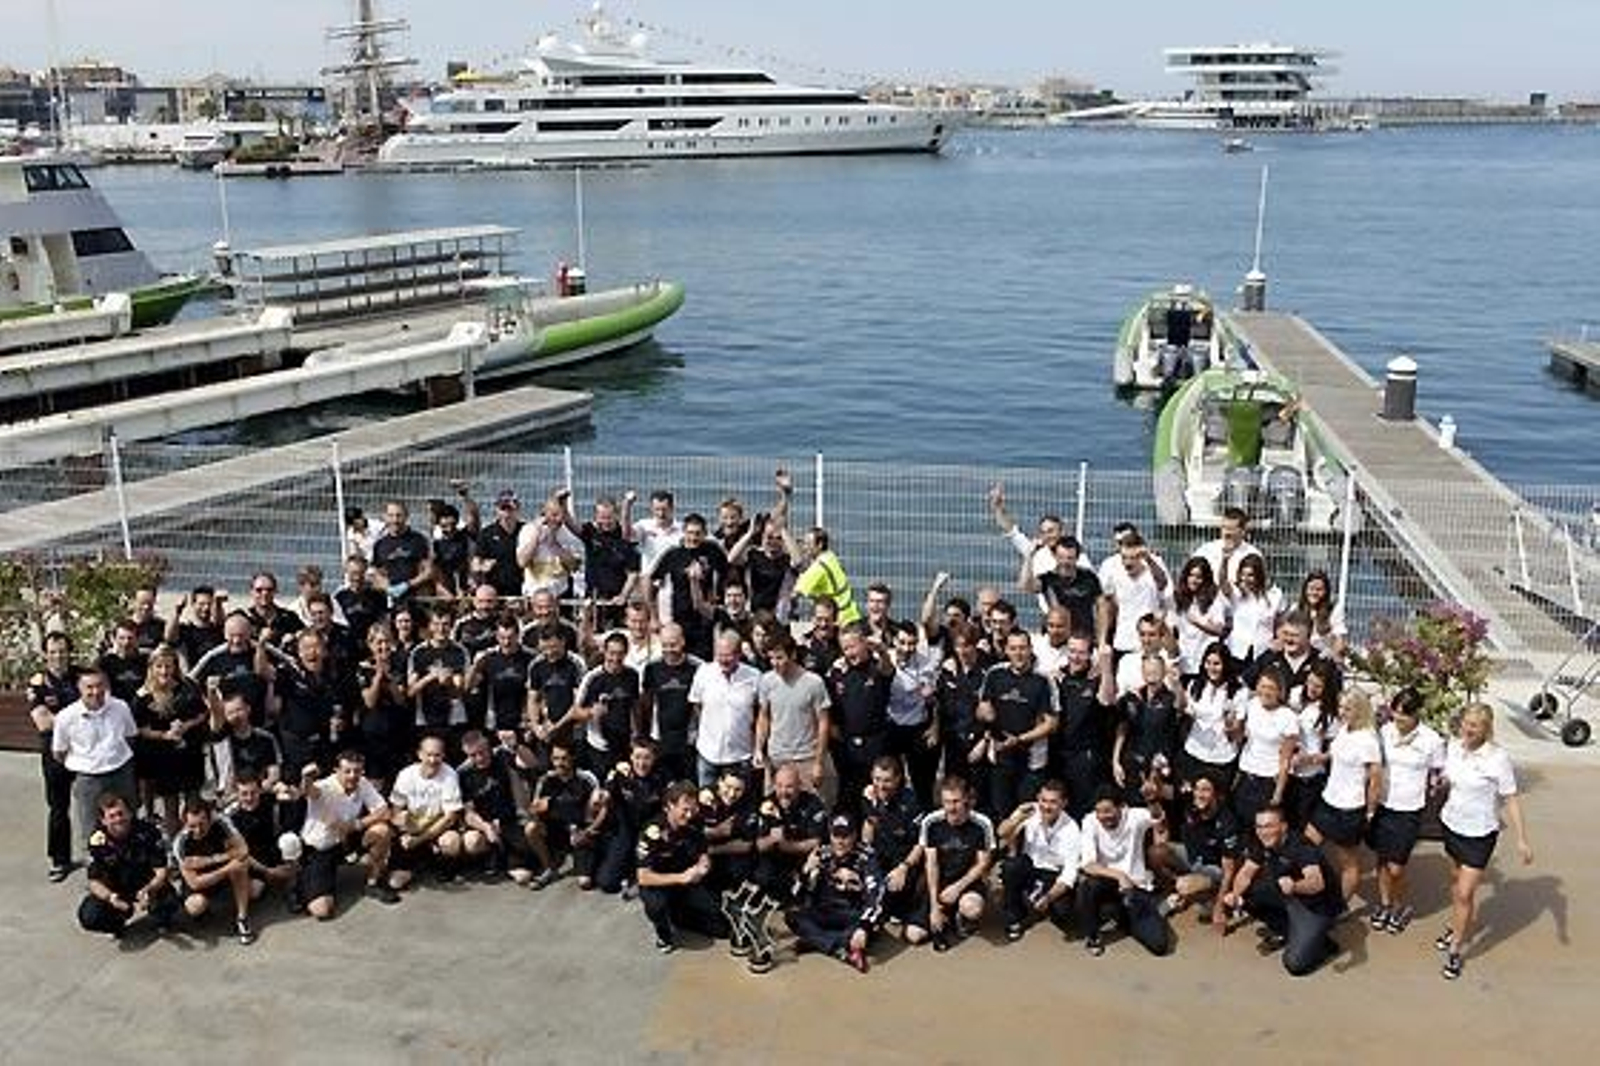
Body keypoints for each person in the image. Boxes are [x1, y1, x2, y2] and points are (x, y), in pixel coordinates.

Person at [1435, 702, 1534, 981]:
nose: (1468, 729)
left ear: (1486, 729)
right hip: (1452, 825)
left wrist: (1522, 839)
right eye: (1466, 722)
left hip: (1480, 834)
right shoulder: (1454, 747)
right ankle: (1455, 926)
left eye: (1474, 725)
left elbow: (1511, 798)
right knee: (1456, 882)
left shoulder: (1497, 758)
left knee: (1465, 892)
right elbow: (1448, 777)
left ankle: (1455, 950)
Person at [1223, 804, 1343, 977]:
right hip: (1288, 894)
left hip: (1316, 906)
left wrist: (1295, 886)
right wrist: (1235, 896)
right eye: (1259, 826)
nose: (1263, 831)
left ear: (1283, 826)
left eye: (1269, 826)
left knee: (1294, 964)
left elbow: (1317, 883)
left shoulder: (1300, 846)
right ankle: (1289, 931)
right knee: (1247, 894)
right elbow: (1246, 873)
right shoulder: (1261, 840)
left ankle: (1323, 943)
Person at [1368, 688, 1445, 936]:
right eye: (1395, 712)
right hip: (1383, 804)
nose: (1398, 719)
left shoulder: (1431, 740)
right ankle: (1385, 904)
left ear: (1416, 715)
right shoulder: (1385, 731)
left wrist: (1436, 783)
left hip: (1409, 809)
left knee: (1396, 867)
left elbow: (1439, 770)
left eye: (1404, 715)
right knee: (1381, 859)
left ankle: (1400, 906)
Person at [296, 751, 399, 918]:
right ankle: (298, 883)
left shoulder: (362, 783)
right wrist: (307, 777)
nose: (353, 776)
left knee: (382, 830)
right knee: (321, 910)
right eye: (347, 771)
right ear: (336, 770)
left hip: (346, 839)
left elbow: (384, 811)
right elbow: (309, 791)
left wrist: (356, 824)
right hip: (320, 849)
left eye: (357, 771)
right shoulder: (324, 786)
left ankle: (372, 883)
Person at [1075, 786, 1172, 957]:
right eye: (1099, 811)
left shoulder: (1135, 816)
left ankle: (1126, 916)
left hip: (1136, 888)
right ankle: (1093, 936)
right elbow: (1088, 865)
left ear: (1121, 808)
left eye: (1108, 811)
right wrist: (1120, 876)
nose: (1103, 817)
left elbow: (1159, 821)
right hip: (1108, 883)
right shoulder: (1090, 821)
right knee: (1088, 885)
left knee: (1159, 945)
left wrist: (1152, 801)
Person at [1305, 691, 1383, 903]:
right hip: (1328, 800)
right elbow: (1335, 753)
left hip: (1349, 809)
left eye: (1347, 709)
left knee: (1347, 862)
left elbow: (1376, 779)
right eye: (1340, 707)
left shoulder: (1368, 739)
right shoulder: (1344, 729)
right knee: (1306, 845)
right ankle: (1317, 887)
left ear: (1359, 710)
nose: (1341, 712)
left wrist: (1369, 812)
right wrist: (1317, 758)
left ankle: (1339, 906)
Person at [636, 782, 730, 954]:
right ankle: (663, 933)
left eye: (693, 809)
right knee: (657, 906)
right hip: (659, 884)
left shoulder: (695, 820)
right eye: (684, 810)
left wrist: (704, 863)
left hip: (686, 881)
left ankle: (678, 916)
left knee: (722, 928)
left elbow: (703, 849)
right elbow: (643, 877)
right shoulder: (652, 832)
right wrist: (681, 877)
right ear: (669, 806)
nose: (689, 815)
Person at [974, 630, 1058, 818]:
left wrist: (1020, 739)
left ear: (1030, 650)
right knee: (1001, 814)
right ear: (1006, 650)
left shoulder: (1043, 680)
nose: (1018, 653)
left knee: (1026, 816)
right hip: (1000, 757)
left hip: (1032, 762)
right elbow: (982, 707)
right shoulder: (994, 674)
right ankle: (1006, 848)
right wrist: (984, 713)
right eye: (1013, 648)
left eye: (1022, 648)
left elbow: (1051, 724)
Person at [52, 669, 138, 851]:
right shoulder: (66, 717)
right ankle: (98, 871)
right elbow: (59, 752)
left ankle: (133, 866)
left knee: (128, 823)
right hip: (88, 780)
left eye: (100, 686)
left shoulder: (120, 707)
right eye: (89, 687)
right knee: (92, 830)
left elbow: (130, 737)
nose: (96, 691)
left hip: (121, 773)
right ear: (79, 689)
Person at [905, 776, 994, 951]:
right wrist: (933, 907)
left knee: (972, 908)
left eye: (956, 802)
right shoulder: (931, 822)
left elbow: (983, 864)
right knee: (914, 935)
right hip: (939, 881)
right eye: (946, 802)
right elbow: (931, 865)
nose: (951, 808)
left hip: (967, 882)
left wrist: (958, 888)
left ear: (967, 800)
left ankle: (960, 916)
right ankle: (944, 916)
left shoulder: (982, 824)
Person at [788, 813, 884, 973]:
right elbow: (795, 896)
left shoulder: (867, 856)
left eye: (845, 836)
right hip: (826, 911)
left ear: (854, 836)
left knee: (872, 929)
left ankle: (815, 940)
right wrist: (806, 871)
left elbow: (877, 896)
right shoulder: (821, 854)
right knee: (792, 917)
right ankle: (840, 951)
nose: (840, 841)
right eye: (836, 835)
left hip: (853, 915)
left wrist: (863, 927)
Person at [77, 793, 178, 938]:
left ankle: (161, 920)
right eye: (112, 816)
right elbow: (94, 881)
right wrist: (111, 897)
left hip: (146, 883)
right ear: (103, 820)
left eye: (121, 813)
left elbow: (161, 870)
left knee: (170, 900)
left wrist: (149, 889)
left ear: (130, 813)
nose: (118, 819)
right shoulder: (97, 841)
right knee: (90, 915)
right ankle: (117, 923)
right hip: (116, 889)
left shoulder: (148, 831)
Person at [131, 646, 207, 837]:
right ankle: (174, 849)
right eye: (159, 666)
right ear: (151, 668)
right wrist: (164, 736)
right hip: (164, 757)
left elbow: (203, 713)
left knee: (194, 803)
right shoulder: (142, 696)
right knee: (170, 807)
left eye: (168, 666)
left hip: (190, 753)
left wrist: (187, 725)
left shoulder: (187, 686)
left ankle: (196, 842)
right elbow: (139, 729)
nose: (164, 671)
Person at [996, 779, 1081, 941]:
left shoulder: (1072, 829)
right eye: (1043, 800)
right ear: (1038, 798)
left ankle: (1041, 899)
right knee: (1011, 867)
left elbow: (1069, 874)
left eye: (1053, 802)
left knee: (1063, 914)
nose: (1046, 806)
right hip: (1030, 866)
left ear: (1064, 803)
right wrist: (1017, 819)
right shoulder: (1029, 811)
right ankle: (1015, 918)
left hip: (1054, 874)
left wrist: (1049, 897)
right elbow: (1001, 833)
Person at [1152, 772, 1241, 926]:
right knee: (1156, 852)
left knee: (1202, 910)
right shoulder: (1191, 801)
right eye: (1197, 789)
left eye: (1206, 790)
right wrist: (1153, 784)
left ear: (1217, 794)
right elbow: (1163, 790)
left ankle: (1211, 898)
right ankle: (1177, 895)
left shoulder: (1227, 824)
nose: (1200, 794)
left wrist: (1219, 908)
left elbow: (1229, 871)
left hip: (1214, 869)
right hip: (1191, 857)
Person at [28, 631, 82, 881]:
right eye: (52, 652)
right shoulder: (38, 684)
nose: (58, 656)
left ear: (70, 652)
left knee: (93, 807)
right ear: (45, 655)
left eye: (62, 651)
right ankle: (60, 861)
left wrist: (61, 717)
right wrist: (78, 716)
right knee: (59, 808)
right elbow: (43, 723)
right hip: (55, 755)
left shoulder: (82, 677)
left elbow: (96, 707)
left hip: (84, 752)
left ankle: (100, 857)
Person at [825, 623, 894, 812]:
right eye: (845, 648)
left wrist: (881, 650)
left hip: (874, 743)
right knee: (847, 793)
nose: (849, 652)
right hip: (846, 744)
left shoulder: (877, 667)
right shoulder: (837, 671)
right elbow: (829, 704)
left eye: (853, 646)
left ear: (864, 643)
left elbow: (887, 669)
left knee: (874, 793)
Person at [171, 798, 257, 944]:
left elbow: (243, 850)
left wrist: (210, 860)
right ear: (185, 822)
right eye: (192, 826)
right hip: (203, 882)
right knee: (196, 906)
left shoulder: (222, 822)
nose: (198, 831)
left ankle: (242, 918)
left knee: (242, 868)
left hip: (220, 871)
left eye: (202, 824)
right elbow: (195, 884)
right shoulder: (180, 843)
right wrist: (226, 866)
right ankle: (203, 913)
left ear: (210, 818)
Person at [388, 735, 467, 890]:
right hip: (412, 827)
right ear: (419, 754)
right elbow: (395, 810)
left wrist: (420, 839)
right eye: (428, 754)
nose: (432, 760)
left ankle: (444, 868)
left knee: (451, 841)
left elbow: (451, 817)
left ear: (443, 755)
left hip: (438, 828)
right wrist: (403, 829)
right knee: (395, 883)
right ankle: (417, 862)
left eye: (437, 755)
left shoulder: (450, 774)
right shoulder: (406, 775)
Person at [458, 729, 537, 884]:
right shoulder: (463, 773)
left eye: (482, 752)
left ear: (488, 746)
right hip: (485, 824)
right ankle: (492, 857)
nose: (479, 758)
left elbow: (532, 763)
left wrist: (516, 746)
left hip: (510, 818)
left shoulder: (502, 756)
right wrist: (486, 827)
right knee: (471, 842)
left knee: (523, 877)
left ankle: (508, 861)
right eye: (473, 755)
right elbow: (468, 813)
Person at [755, 631, 831, 792]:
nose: (775, 663)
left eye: (780, 658)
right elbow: (764, 717)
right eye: (771, 658)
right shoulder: (766, 681)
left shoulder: (814, 683)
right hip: (777, 757)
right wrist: (758, 748)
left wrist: (818, 762)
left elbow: (823, 723)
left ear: (793, 655)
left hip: (806, 757)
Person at [592, 738, 668, 894]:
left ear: (654, 758)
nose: (642, 763)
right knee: (606, 882)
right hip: (624, 830)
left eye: (647, 757)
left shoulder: (662, 776)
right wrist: (600, 797)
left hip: (650, 831)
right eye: (638, 757)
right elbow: (606, 793)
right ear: (631, 757)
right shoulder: (620, 773)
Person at [688, 632, 761, 787]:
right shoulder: (704, 672)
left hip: (740, 754)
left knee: (739, 805)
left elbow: (760, 713)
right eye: (719, 655)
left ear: (739, 654)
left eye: (728, 656)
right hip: (708, 753)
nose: (723, 660)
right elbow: (697, 705)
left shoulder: (754, 676)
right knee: (707, 802)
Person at [526, 742, 603, 889]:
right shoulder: (545, 780)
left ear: (572, 758)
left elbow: (592, 814)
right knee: (531, 828)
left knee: (584, 883)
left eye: (564, 759)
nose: (559, 763)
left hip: (581, 832)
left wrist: (553, 805)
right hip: (556, 830)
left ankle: (587, 863)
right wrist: (540, 810)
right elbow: (534, 810)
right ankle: (549, 867)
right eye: (555, 759)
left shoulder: (586, 778)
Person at [860, 756, 925, 929]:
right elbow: (867, 833)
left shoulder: (911, 801)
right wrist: (865, 859)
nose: (881, 785)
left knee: (894, 888)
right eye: (877, 779)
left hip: (904, 859)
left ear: (898, 779)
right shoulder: (870, 795)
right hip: (880, 855)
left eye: (887, 780)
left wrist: (903, 868)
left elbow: (921, 843)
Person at [1232, 667, 1299, 828]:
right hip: (1246, 775)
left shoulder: (1288, 717)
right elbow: (1239, 737)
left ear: (1279, 691)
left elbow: (1285, 759)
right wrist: (1234, 727)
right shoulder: (1252, 705)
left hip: (1268, 781)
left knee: (1262, 829)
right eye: (1262, 686)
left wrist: (1278, 793)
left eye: (1271, 688)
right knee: (1240, 824)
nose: (1266, 692)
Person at [886, 620, 941, 807]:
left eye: (912, 643)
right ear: (894, 641)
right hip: (891, 727)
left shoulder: (926, 663)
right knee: (892, 780)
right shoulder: (885, 659)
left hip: (918, 728)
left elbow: (937, 700)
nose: (907, 648)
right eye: (902, 642)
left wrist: (935, 726)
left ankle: (924, 820)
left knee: (922, 783)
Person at [1096, 531, 1170, 664]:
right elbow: (1106, 606)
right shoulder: (1114, 571)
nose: (1127, 563)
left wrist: (1148, 559)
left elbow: (1162, 583)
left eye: (1132, 558)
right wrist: (1103, 641)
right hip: (1123, 642)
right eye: (1124, 557)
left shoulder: (1152, 568)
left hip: (1148, 643)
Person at [640, 623, 701, 782]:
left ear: (683, 642)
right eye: (665, 645)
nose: (669, 650)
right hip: (660, 739)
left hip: (688, 741)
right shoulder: (652, 668)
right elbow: (645, 702)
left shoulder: (698, 667)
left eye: (673, 645)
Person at [574, 632, 642, 773]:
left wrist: (637, 734)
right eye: (612, 653)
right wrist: (592, 712)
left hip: (624, 743)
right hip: (599, 745)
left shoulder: (632, 675)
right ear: (604, 651)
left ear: (626, 653)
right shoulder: (593, 677)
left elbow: (635, 706)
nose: (615, 658)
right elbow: (576, 711)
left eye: (620, 653)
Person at [1180, 642, 1243, 788]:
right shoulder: (1194, 685)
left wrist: (1229, 726)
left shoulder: (1238, 692)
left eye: (1216, 663)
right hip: (1194, 752)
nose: (1211, 668)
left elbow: (1237, 734)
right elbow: (1185, 714)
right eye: (1208, 663)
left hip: (1222, 757)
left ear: (1225, 665)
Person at [204, 692, 282, 805]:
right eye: (230, 712)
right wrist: (211, 692)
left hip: (259, 795)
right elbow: (215, 715)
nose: (236, 715)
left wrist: (260, 788)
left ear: (248, 709)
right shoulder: (220, 741)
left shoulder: (266, 738)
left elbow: (274, 773)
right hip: (230, 798)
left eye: (239, 710)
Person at [1172, 556, 1230, 683]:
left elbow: (1219, 629)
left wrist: (1198, 623)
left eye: (1198, 577)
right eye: (1191, 575)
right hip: (1184, 662)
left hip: (1205, 664)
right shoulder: (1180, 598)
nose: (1194, 580)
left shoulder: (1214, 599)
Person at [792, 526, 862, 626]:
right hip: (852, 614)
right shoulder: (830, 557)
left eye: (808, 544)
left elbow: (795, 594)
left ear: (820, 545)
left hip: (839, 621)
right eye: (804, 543)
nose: (804, 547)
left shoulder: (818, 569)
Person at [370, 500, 435, 603]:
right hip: (392, 599)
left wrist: (408, 585)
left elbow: (428, 572)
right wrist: (388, 588)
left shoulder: (418, 540)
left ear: (406, 516)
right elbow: (376, 573)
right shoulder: (380, 544)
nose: (395, 520)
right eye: (391, 515)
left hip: (417, 596)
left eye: (399, 515)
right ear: (384, 517)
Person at [1190, 507, 1263, 591]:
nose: (1226, 533)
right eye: (1224, 527)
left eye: (1231, 529)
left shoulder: (1252, 554)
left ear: (1243, 531)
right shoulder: (1206, 550)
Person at [1296, 570, 1348, 660]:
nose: (1314, 593)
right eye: (1311, 588)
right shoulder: (1296, 608)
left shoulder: (1334, 610)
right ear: (1305, 589)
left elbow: (1340, 639)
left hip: (1324, 658)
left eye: (1319, 590)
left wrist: (1334, 656)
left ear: (1326, 592)